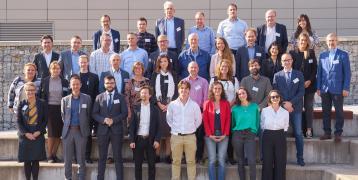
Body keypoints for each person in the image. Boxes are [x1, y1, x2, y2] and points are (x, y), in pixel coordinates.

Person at [317, 33, 351, 142]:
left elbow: (347, 73)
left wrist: (346, 88)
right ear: (326, 42)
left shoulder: (343, 55)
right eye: (329, 41)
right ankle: (327, 132)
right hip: (325, 89)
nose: (331, 42)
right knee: (325, 111)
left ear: (337, 41)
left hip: (338, 89)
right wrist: (318, 87)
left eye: (333, 40)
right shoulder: (323, 55)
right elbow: (320, 73)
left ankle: (338, 133)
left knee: (339, 112)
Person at [92, 75, 128, 180]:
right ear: (104, 84)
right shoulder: (99, 97)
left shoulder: (120, 97)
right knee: (102, 157)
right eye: (107, 83)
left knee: (118, 157)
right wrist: (104, 120)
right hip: (102, 131)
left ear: (115, 83)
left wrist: (114, 120)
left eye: (112, 83)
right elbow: (94, 113)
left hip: (116, 131)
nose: (110, 85)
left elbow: (124, 113)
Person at [273, 53, 305, 166]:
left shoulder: (299, 74)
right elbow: (275, 93)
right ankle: (281, 159)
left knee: (298, 132)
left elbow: (301, 92)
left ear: (292, 61)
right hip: (282, 109)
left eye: (288, 60)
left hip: (296, 108)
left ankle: (300, 158)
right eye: (284, 60)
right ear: (281, 63)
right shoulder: (277, 76)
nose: (286, 62)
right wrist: (283, 104)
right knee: (282, 134)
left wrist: (291, 103)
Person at [166, 80, 202, 180]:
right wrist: (175, 129)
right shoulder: (172, 105)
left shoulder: (194, 105)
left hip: (190, 137)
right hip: (176, 137)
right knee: (176, 161)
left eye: (186, 88)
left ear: (189, 90)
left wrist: (191, 129)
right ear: (178, 90)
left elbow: (198, 120)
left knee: (191, 162)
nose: (184, 90)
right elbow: (169, 120)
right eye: (182, 88)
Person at [61, 74, 92, 180]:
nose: (75, 86)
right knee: (67, 159)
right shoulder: (64, 100)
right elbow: (63, 116)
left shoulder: (87, 98)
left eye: (77, 84)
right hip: (68, 132)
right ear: (70, 85)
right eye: (73, 84)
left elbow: (89, 115)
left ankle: (81, 177)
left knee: (81, 158)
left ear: (81, 85)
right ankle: (67, 178)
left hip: (81, 132)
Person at [150, 54, 178, 163]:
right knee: (158, 131)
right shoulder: (154, 75)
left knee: (168, 133)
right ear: (158, 63)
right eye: (161, 62)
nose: (163, 63)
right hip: (158, 107)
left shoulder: (174, 75)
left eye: (165, 61)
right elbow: (151, 91)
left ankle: (167, 155)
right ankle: (156, 155)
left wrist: (169, 104)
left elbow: (176, 91)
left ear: (168, 63)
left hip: (171, 107)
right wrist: (158, 103)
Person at [39, 61, 69, 163]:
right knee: (51, 133)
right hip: (49, 109)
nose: (55, 70)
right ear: (50, 70)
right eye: (53, 68)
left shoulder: (64, 81)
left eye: (57, 68)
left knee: (58, 133)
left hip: (61, 109)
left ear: (60, 70)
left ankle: (54, 155)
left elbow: (66, 95)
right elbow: (41, 96)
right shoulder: (45, 81)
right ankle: (49, 155)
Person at [129, 86, 161, 180]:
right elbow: (132, 126)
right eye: (142, 93)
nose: (144, 94)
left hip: (150, 140)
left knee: (151, 165)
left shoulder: (155, 109)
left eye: (146, 93)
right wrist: (131, 140)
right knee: (137, 165)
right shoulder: (135, 108)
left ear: (150, 95)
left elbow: (159, 127)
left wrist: (157, 140)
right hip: (138, 139)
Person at [17, 82, 47, 180]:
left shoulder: (42, 103)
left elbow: (45, 120)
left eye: (32, 90)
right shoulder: (21, 104)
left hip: (37, 133)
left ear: (35, 90)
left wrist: (39, 131)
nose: (30, 92)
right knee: (26, 160)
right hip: (25, 134)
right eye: (28, 90)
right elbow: (18, 121)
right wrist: (25, 133)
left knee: (35, 160)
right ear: (25, 91)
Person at [289, 33, 317, 138]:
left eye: (305, 40)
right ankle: (298, 130)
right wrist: (300, 82)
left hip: (310, 85)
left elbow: (315, 69)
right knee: (297, 107)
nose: (303, 42)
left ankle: (309, 130)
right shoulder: (292, 53)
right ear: (298, 41)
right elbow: (291, 69)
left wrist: (309, 80)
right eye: (301, 40)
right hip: (297, 86)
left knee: (309, 107)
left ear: (307, 42)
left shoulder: (311, 53)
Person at [202, 81, 231, 180]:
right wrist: (210, 134)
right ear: (212, 90)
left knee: (222, 159)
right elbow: (205, 120)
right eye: (215, 88)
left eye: (219, 88)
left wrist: (225, 134)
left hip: (223, 135)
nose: (217, 90)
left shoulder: (226, 103)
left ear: (222, 90)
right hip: (210, 135)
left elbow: (228, 119)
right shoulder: (207, 103)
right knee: (212, 160)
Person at [232, 87, 260, 180]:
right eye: (239, 94)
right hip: (237, 135)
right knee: (240, 161)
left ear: (247, 94)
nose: (241, 95)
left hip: (250, 134)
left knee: (252, 160)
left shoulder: (254, 106)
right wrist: (235, 132)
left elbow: (257, 121)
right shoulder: (235, 109)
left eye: (243, 93)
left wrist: (254, 131)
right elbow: (233, 123)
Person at [183, 61, 208, 164]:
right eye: (191, 67)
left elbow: (206, 99)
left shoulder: (204, 82)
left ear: (198, 69)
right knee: (186, 135)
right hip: (186, 111)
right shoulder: (183, 81)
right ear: (188, 69)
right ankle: (187, 157)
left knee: (199, 136)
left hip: (200, 111)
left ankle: (199, 157)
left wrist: (203, 112)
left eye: (195, 67)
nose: (193, 69)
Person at [261, 90, 289, 180]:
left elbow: (286, 126)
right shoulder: (265, 111)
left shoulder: (285, 112)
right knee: (267, 161)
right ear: (269, 99)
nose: (275, 98)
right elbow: (262, 124)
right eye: (273, 97)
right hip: (267, 135)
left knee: (280, 161)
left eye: (277, 96)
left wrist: (278, 132)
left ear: (280, 98)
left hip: (280, 135)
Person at [77, 55, 99, 163]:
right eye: (81, 62)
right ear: (78, 63)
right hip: (76, 110)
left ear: (88, 63)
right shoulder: (74, 76)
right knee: (77, 134)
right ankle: (77, 157)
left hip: (89, 110)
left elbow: (96, 94)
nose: (83, 64)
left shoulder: (94, 77)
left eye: (85, 62)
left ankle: (87, 156)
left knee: (87, 134)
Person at [124, 62, 151, 134]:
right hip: (133, 110)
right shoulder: (129, 82)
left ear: (142, 69)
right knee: (133, 130)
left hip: (145, 108)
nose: (138, 69)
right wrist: (129, 110)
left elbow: (150, 94)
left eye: (140, 68)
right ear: (133, 70)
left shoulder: (147, 81)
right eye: (136, 68)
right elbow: (126, 97)